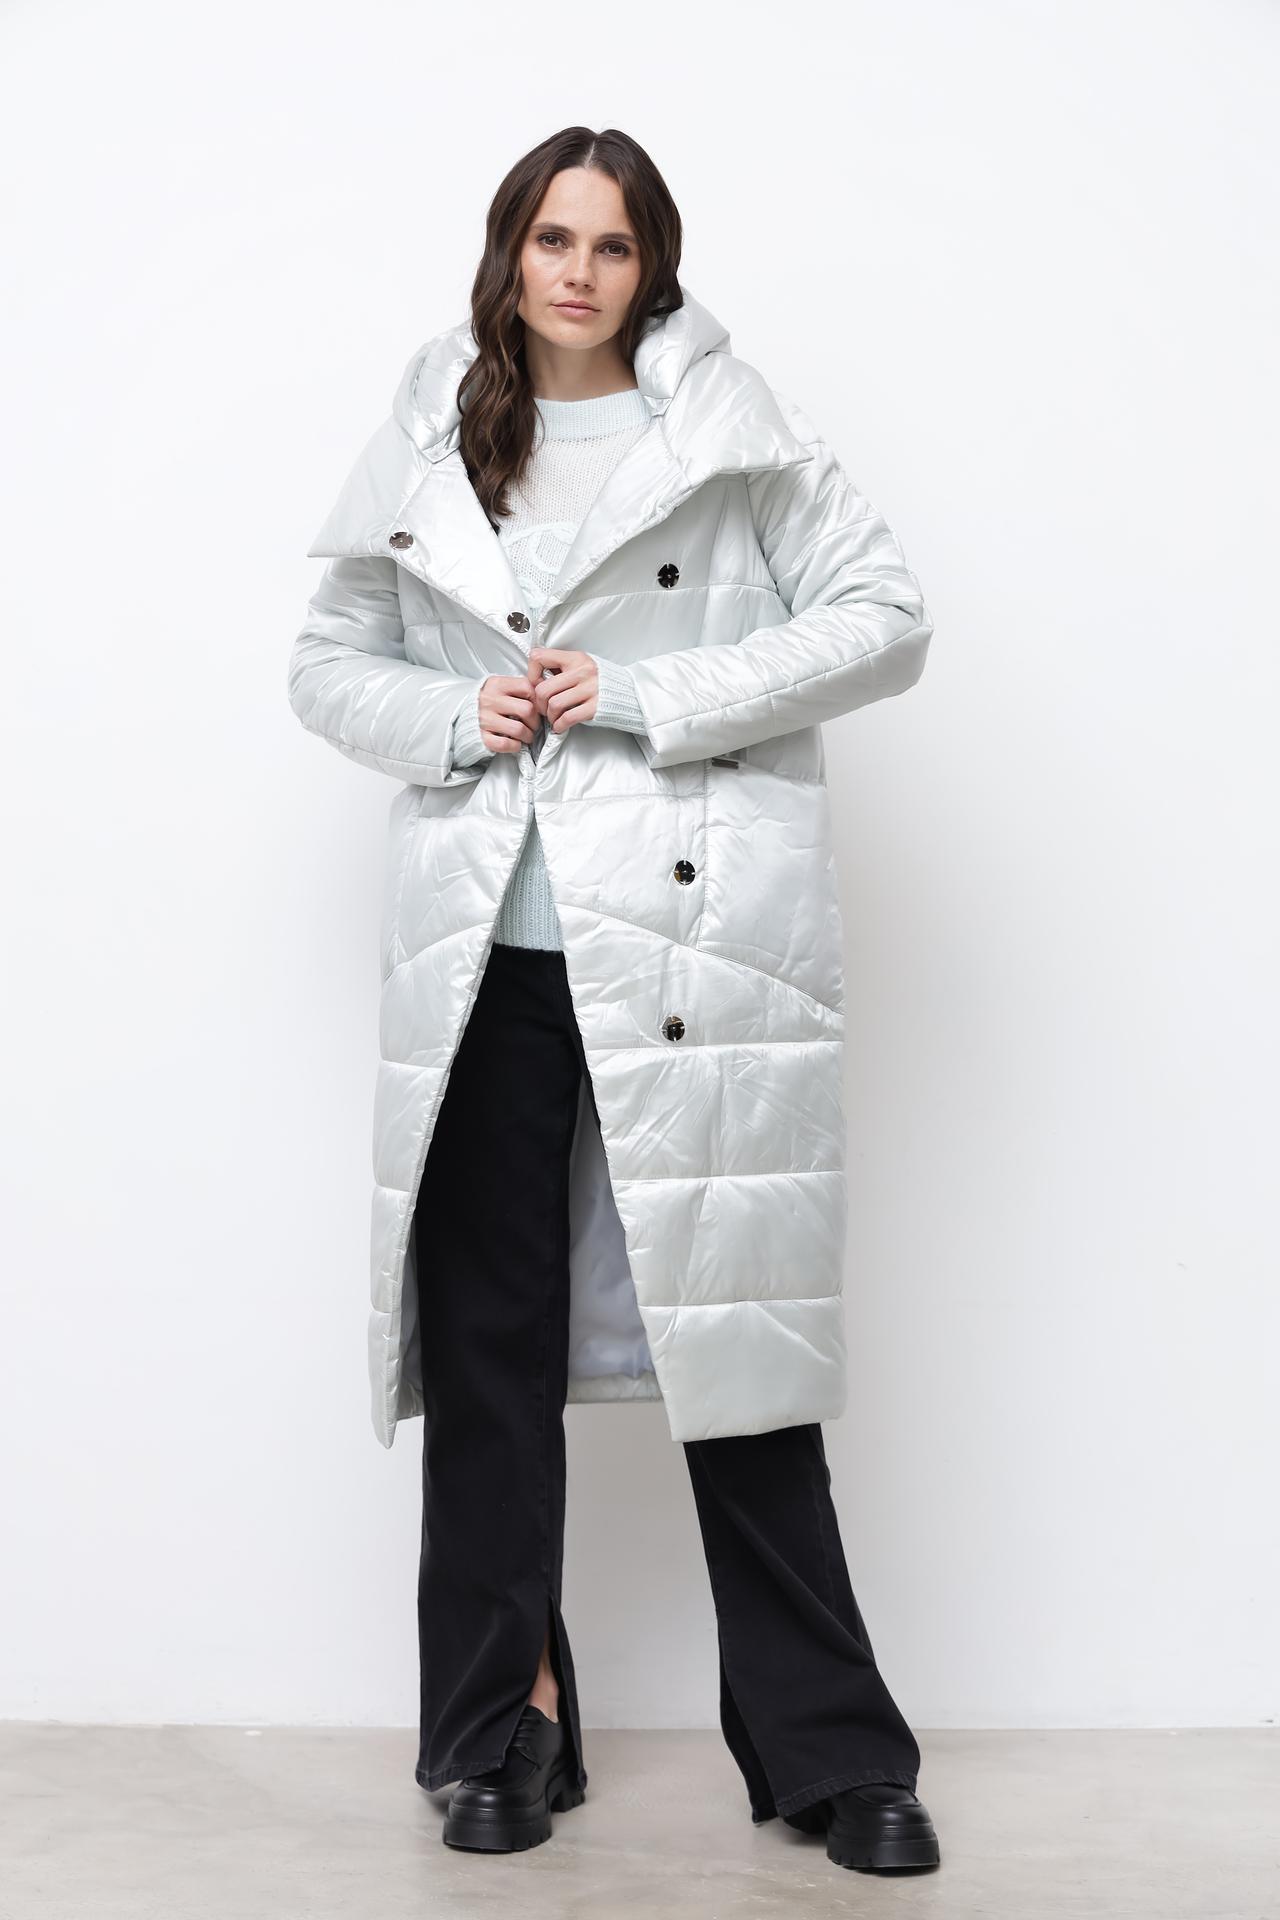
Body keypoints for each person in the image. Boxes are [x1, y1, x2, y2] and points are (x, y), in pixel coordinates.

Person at [287, 124, 940, 1877]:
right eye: (552, 239)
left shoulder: (729, 424)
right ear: (510, 251)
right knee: (488, 1351)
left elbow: (886, 619)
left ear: (655, 266)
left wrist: (648, 693)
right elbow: (327, 661)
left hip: (686, 944)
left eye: (615, 245)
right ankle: (502, 1726)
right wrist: (451, 718)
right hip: (483, 947)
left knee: (741, 1350)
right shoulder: (434, 423)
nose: (578, 273)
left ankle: (829, 1749)